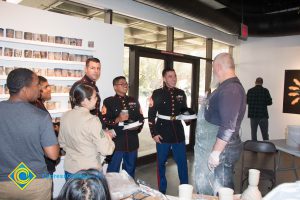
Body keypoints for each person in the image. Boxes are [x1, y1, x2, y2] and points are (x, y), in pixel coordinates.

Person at [0, 68, 59, 200]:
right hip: (34, 182)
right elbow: (53, 154)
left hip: (3, 182)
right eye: (37, 85)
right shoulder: (41, 116)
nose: (39, 89)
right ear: (25, 89)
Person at [199, 53, 246, 195]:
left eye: (213, 69)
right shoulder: (225, 87)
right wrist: (207, 102)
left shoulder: (231, 89)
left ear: (218, 67)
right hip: (223, 145)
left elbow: (228, 125)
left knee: (223, 186)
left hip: (225, 148)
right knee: (217, 184)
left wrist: (216, 152)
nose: (213, 72)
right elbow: (221, 112)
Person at [59, 83, 115, 180]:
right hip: (89, 172)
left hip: (70, 169)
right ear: (85, 101)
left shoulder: (65, 116)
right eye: (94, 97)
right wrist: (108, 138)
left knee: (72, 195)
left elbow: (62, 143)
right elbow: (106, 150)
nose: (97, 99)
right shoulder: (92, 120)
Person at [148, 68, 190, 194]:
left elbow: (184, 112)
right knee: (161, 163)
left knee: (182, 162)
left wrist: (189, 119)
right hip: (162, 132)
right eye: (170, 76)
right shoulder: (157, 93)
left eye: (175, 76)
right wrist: (154, 133)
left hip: (178, 132)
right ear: (164, 79)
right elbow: (151, 116)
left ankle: (185, 190)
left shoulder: (181, 93)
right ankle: (162, 191)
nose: (174, 78)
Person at [102, 76, 144, 178]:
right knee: (113, 172)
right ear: (115, 87)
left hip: (132, 141)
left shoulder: (133, 100)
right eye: (122, 84)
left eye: (126, 83)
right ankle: (111, 193)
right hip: (117, 142)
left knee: (130, 171)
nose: (125, 85)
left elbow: (141, 118)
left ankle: (128, 192)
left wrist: (137, 127)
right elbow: (104, 120)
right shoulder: (109, 101)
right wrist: (118, 119)